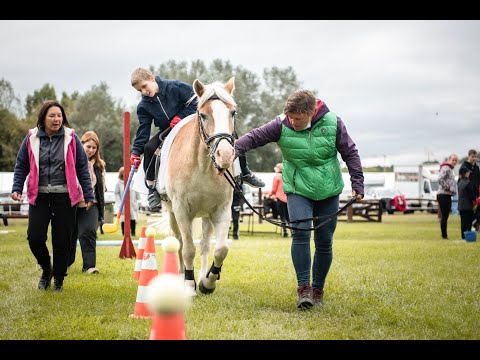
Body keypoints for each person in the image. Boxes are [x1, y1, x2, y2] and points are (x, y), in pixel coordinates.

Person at [235, 90, 364, 309]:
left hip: (329, 188)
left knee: (324, 241)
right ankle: (304, 289)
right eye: (290, 117)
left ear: (311, 112)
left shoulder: (333, 123)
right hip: (297, 188)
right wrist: (232, 148)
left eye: (297, 118)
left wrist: (357, 183)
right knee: (301, 232)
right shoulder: (281, 124)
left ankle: (318, 289)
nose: (292, 122)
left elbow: (350, 152)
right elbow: (254, 137)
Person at [129, 67, 265, 211]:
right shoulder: (143, 106)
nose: (144, 91)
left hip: (193, 122)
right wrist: (136, 152)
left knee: (232, 137)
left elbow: (199, 104)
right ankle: (152, 190)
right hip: (168, 130)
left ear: (152, 78)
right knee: (149, 148)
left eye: (144, 86)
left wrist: (179, 117)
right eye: (139, 90)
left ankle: (244, 171)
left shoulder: (175, 86)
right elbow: (143, 129)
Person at [11, 100, 94, 292]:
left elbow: (82, 166)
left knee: (62, 240)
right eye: (52, 116)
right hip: (39, 196)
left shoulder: (70, 137)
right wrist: (17, 187)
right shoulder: (31, 137)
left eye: (59, 116)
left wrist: (88, 193)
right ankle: (46, 268)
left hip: (65, 197)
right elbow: (21, 164)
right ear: (43, 118)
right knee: (35, 237)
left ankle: (58, 280)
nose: (57, 119)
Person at [69, 131, 106, 274]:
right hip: (71, 203)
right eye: (88, 146)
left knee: (88, 232)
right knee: (69, 234)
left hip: (92, 204)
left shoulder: (99, 165)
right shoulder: (71, 161)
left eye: (94, 148)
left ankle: (89, 266)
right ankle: (66, 262)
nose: (91, 150)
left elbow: (101, 189)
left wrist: (100, 213)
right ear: (81, 144)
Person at [437, 154, 458, 240]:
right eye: (453, 160)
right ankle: (444, 235)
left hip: (447, 195)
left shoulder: (450, 169)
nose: (454, 162)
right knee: (445, 216)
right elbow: (440, 179)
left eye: (456, 161)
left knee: (445, 216)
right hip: (443, 194)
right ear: (449, 159)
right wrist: (448, 188)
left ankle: (444, 235)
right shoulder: (446, 168)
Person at [267, 163, 289, 238]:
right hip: (288, 199)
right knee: (289, 217)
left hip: (280, 199)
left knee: (282, 217)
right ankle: (293, 232)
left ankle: (285, 231)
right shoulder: (287, 176)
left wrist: (268, 195)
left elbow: (274, 190)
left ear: (278, 169)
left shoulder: (277, 177)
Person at [115, 166, 138, 236]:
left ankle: (133, 232)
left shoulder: (132, 182)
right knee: (123, 218)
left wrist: (138, 200)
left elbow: (136, 191)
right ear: (121, 174)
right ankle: (124, 233)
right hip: (123, 203)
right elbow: (116, 193)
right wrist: (119, 202)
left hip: (132, 202)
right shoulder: (118, 183)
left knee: (133, 217)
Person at [457, 165, 476, 239]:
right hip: (468, 206)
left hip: (461, 205)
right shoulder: (468, 182)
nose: (469, 174)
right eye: (468, 172)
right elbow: (471, 195)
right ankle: (468, 236)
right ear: (465, 173)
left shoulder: (459, 182)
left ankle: (463, 236)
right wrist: (474, 203)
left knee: (463, 222)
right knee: (468, 222)